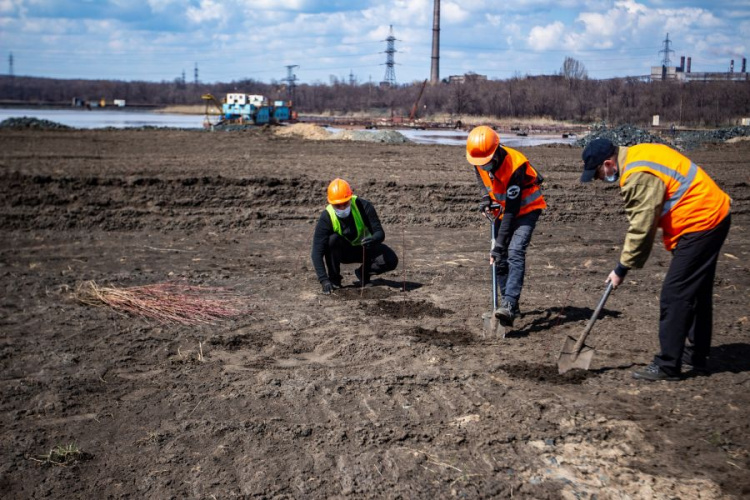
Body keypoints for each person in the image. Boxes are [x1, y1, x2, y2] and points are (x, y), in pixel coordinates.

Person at [581, 138, 731, 381]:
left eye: (598, 173)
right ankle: (697, 354)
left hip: (700, 222)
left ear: (608, 163)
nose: (599, 179)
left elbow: (642, 228)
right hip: (712, 215)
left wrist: (621, 269)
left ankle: (668, 365)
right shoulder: (639, 152)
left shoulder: (636, 175)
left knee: (675, 294)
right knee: (696, 291)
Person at [466, 126, 547, 326]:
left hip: (526, 209)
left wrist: (499, 244)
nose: (483, 166)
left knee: (514, 251)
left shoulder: (515, 166)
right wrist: (486, 196)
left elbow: (512, 210)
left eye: (486, 162)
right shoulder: (478, 156)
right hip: (503, 210)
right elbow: (480, 174)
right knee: (499, 258)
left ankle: (509, 303)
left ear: (496, 153)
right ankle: (507, 305)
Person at [311, 178, 398, 294]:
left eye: (345, 204)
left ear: (350, 198)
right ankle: (334, 280)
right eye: (337, 206)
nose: (342, 208)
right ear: (331, 203)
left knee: (391, 260)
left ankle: (363, 273)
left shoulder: (364, 206)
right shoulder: (326, 217)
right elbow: (316, 252)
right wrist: (324, 280)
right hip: (343, 252)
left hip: (365, 248)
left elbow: (380, 233)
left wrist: (373, 239)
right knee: (332, 240)